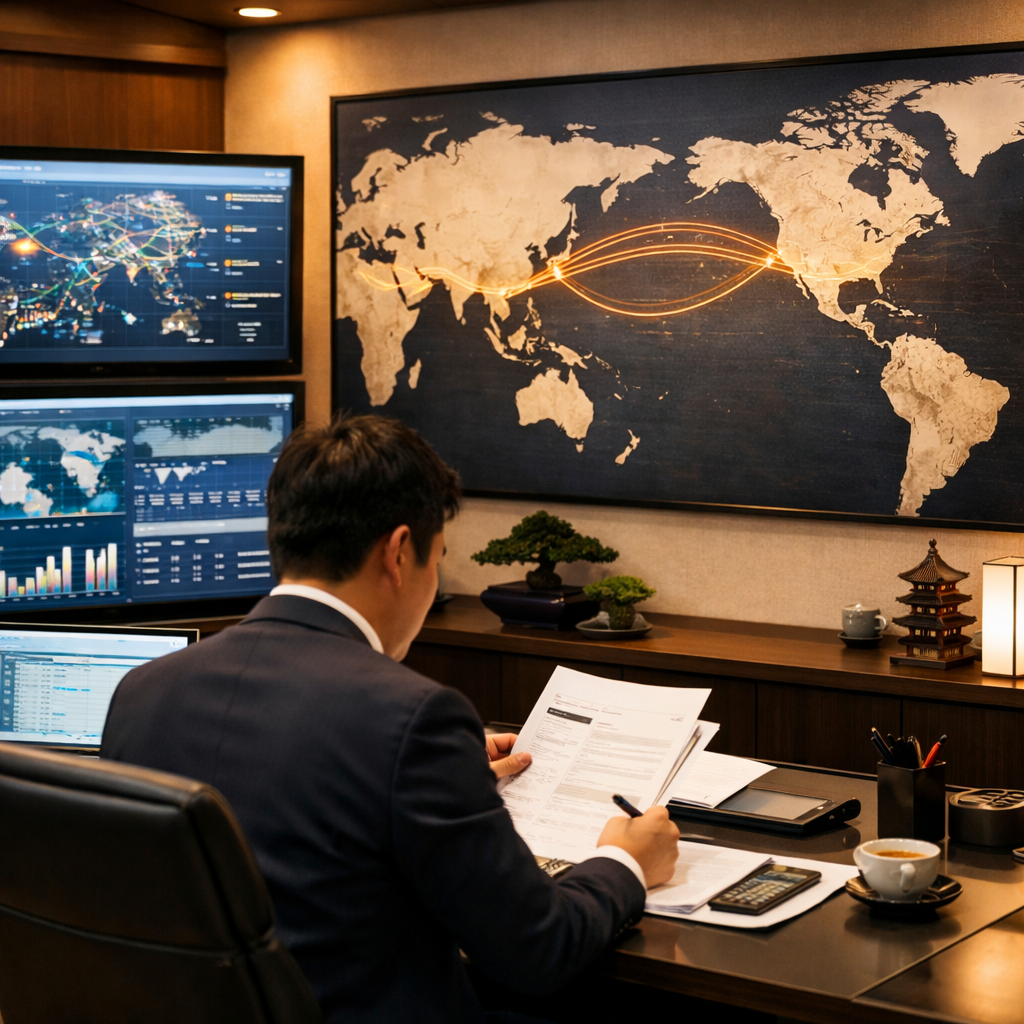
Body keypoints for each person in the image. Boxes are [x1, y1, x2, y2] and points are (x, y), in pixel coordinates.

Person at [100, 413, 679, 1024]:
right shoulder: (413, 716)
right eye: (438, 560)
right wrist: (626, 863)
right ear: (400, 552)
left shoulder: (141, 691)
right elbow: (537, 949)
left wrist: (449, 777)